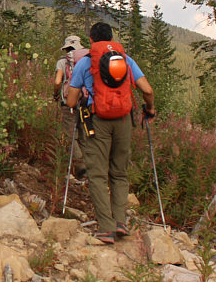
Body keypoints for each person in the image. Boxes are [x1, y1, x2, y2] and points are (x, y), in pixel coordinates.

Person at [66, 22, 155, 244]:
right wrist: (150, 109)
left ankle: (106, 228)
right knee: (119, 173)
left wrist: (82, 97)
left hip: (97, 120)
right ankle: (120, 222)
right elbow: (147, 89)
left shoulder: (85, 62)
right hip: (124, 120)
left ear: (91, 40)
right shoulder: (126, 60)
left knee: (97, 174)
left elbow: (71, 101)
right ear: (111, 39)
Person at [53, 35, 87, 175]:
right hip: (85, 101)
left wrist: (55, 94)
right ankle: (90, 165)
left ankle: (80, 165)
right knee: (84, 134)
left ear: (67, 48)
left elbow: (57, 82)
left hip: (68, 102)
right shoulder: (87, 60)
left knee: (69, 134)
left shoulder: (62, 62)